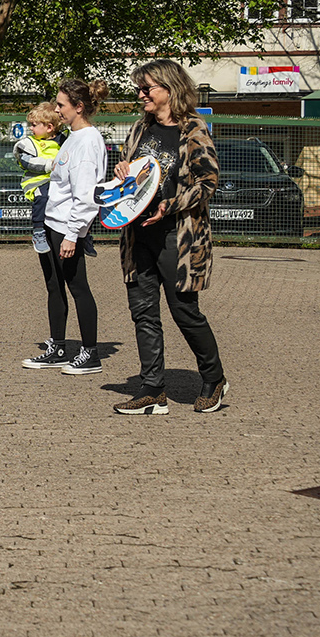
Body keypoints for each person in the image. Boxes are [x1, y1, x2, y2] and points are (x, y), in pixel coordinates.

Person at [112, 59, 229, 415]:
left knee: (185, 312)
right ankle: (152, 389)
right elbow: (131, 174)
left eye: (147, 88)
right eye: (139, 89)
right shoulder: (139, 128)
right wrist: (121, 170)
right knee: (143, 313)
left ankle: (214, 378)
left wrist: (171, 204)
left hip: (177, 237)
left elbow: (208, 181)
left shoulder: (193, 129)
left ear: (169, 88)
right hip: (138, 235)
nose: (141, 95)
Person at [21, 80, 108, 376]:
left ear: (79, 107)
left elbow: (86, 195)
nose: (56, 110)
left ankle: (90, 353)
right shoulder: (72, 137)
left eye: (61, 105)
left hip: (66, 227)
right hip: (52, 222)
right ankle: (58, 347)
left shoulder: (88, 141)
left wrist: (72, 235)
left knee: (78, 288)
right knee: (54, 286)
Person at [15, 102, 65, 254]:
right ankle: (38, 230)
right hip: (38, 183)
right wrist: (50, 165)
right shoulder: (29, 144)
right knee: (43, 196)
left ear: (49, 127)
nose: (31, 128)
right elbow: (26, 161)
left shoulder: (65, 141)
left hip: (60, 182)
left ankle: (83, 234)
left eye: (34, 125)